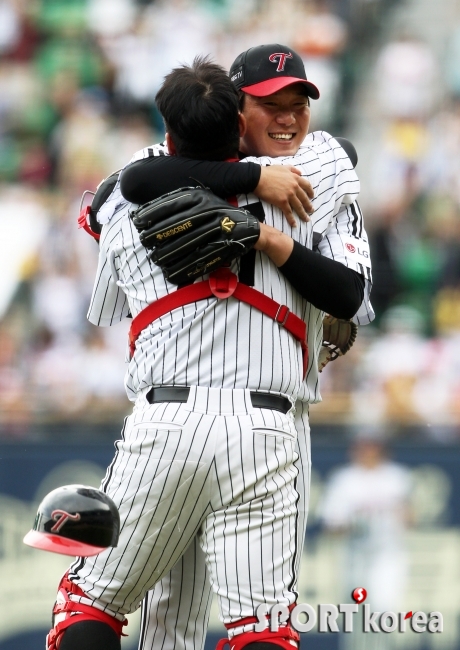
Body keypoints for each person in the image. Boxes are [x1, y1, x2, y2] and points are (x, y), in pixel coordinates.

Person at [49, 51, 372, 650]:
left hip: (167, 420)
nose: (288, 117)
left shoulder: (136, 185)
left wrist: (249, 208)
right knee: (262, 627)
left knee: (92, 601)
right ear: (235, 111)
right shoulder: (315, 172)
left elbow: (117, 196)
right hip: (266, 425)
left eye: (297, 104)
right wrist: (252, 188)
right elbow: (343, 170)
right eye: (269, 104)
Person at [320, 429, 413, 650]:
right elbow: (330, 524)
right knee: (357, 615)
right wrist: (352, 524)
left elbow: (410, 518)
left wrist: (399, 514)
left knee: (384, 612)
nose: (368, 451)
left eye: (373, 446)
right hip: (354, 556)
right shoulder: (344, 479)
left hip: (387, 555)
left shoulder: (396, 477)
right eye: (363, 446)